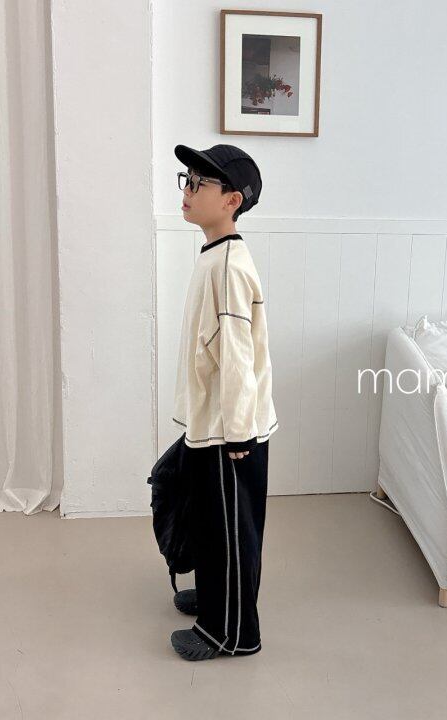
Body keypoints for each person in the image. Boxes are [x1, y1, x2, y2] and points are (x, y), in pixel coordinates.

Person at [168, 143, 278, 661]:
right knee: (212, 522)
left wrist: (238, 433)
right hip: (213, 418)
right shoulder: (216, 255)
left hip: (230, 428)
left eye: (199, 183)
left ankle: (231, 633)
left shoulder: (229, 267)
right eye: (186, 180)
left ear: (232, 200)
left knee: (231, 529)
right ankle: (216, 597)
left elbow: (236, 355)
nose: (187, 191)